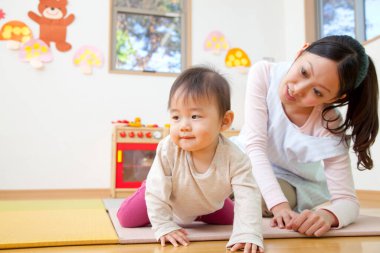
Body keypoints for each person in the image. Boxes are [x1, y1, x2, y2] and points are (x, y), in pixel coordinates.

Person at [235, 35, 379, 237]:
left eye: (318, 92)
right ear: (301, 51)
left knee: (252, 197)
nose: (297, 89)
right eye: (303, 72)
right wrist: (280, 207)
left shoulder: (330, 125)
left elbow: (347, 200)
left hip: (287, 181)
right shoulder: (264, 73)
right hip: (240, 161)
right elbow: (254, 146)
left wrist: (328, 215)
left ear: (337, 98)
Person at [117, 66, 264, 252]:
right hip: (165, 194)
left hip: (209, 202)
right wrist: (163, 226)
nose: (183, 126)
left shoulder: (236, 158)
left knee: (235, 220)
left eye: (195, 116)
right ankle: (148, 187)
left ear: (225, 121)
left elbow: (248, 196)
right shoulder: (167, 148)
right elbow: (156, 195)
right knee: (126, 218)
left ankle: (199, 214)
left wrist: (248, 232)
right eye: (176, 117)